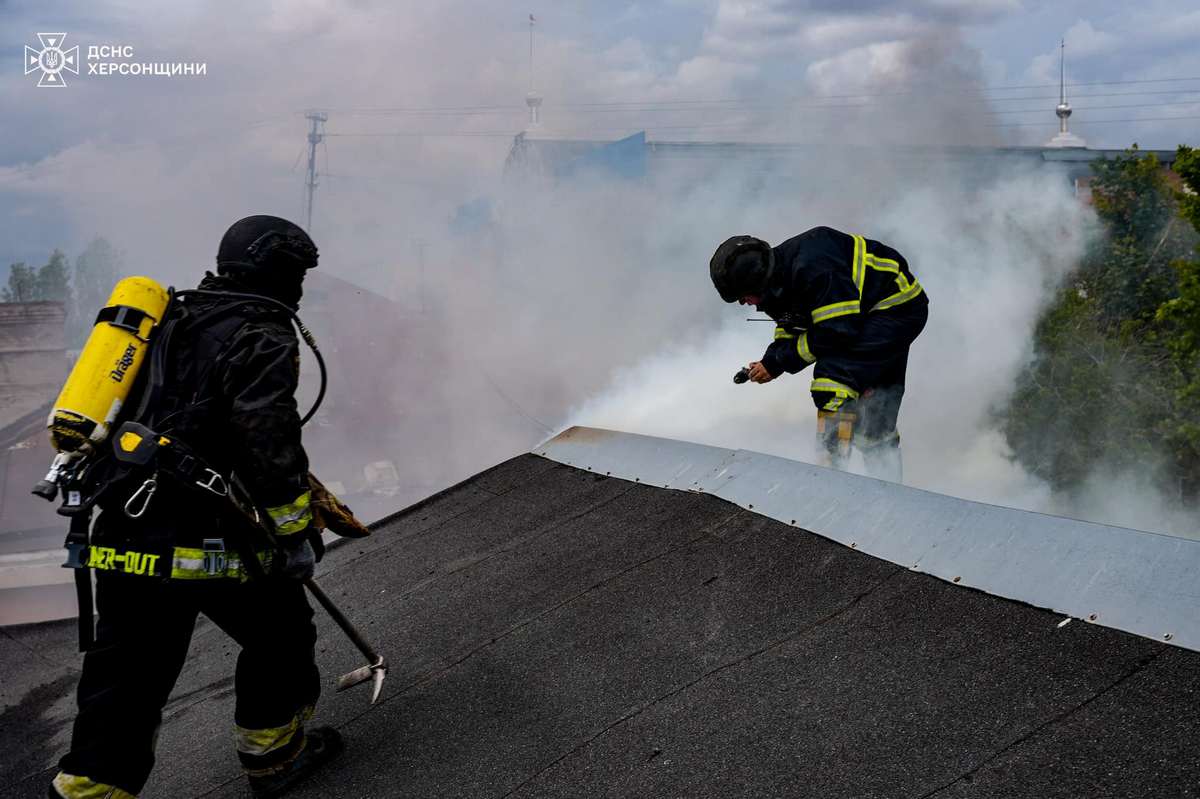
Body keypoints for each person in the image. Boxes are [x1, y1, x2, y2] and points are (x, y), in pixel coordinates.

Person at [51, 216, 343, 799]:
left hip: (121, 527)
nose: (302, 288)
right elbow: (268, 438)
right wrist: (291, 534)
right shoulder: (262, 331)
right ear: (276, 270)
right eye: (298, 274)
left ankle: (88, 791)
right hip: (206, 534)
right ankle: (275, 757)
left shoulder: (169, 318)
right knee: (281, 635)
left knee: (124, 676)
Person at [710, 226, 928, 481]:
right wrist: (770, 360)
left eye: (744, 296)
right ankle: (890, 493)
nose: (744, 303)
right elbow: (792, 326)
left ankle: (829, 483)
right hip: (869, 318)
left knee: (832, 383)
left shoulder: (814, 266)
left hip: (894, 309)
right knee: (875, 415)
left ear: (756, 280)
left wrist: (779, 362)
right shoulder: (777, 281)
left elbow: (837, 331)